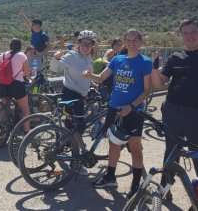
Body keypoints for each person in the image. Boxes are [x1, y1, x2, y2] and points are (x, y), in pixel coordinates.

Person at [82, 29, 152, 200]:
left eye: (135, 40)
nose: (131, 43)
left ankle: (136, 188)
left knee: (135, 149)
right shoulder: (117, 59)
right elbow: (101, 78)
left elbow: (147, 90)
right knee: (114, 144)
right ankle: (110, 177)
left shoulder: (145, 62)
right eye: (128, 40)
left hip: (133, 111)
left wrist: (131, 106)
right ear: (124, 41)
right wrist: (90, 75)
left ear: (140, 42)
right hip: (114, 108)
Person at [151, 19, 198, 198]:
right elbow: (158, 84)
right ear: (181, 36)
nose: (189, 36)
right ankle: (164, 191)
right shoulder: (176, 57)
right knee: (171, 152)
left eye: (193, 32)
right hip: (172, 111)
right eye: (185, 33)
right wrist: (154, 68)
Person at [50, 30, 98, 176]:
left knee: (74, 127)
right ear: (78, 43)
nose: (86, 46)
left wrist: (92, 86)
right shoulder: (70, 56)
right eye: (84, 43)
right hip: (70, 94)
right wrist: (56, 58)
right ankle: (75, 162)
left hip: (81, 96)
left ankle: (65, 144)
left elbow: (87, 75)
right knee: (77, 128)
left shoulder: (88, 57)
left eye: (89, 44)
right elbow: (55, 69)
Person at [0, 38, 32, 131]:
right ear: (20, 46)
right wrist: (22, 74)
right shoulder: (21, 55)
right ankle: (27, 132)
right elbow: (27, 71)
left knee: (4, 107)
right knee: (25, 110)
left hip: (3, 85)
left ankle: (1, 124)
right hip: (17, 85)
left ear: (10, 46)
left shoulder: (4, 55)